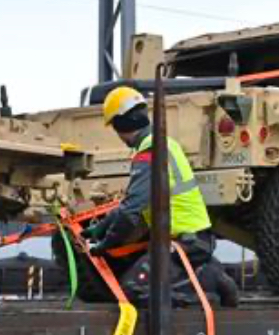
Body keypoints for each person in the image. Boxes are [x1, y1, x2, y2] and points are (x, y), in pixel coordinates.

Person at [83, 86, 239, 307]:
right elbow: (132, 202)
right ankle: (212, 272)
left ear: (121, 124)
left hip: (184, 243)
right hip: (195, 239)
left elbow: (130, 212)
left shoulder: (149, 151)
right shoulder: (165, 143)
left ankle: (210, 285)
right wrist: (100, 227)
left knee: (133, 290)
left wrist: (105, 244)